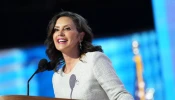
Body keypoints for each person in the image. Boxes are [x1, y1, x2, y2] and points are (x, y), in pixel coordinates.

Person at [44, 11, 134, 100]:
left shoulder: (94, 59)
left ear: (80, 36)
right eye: (56, 29)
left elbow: (120, 96)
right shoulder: (57, 77)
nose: (60, 33)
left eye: (67, 28)